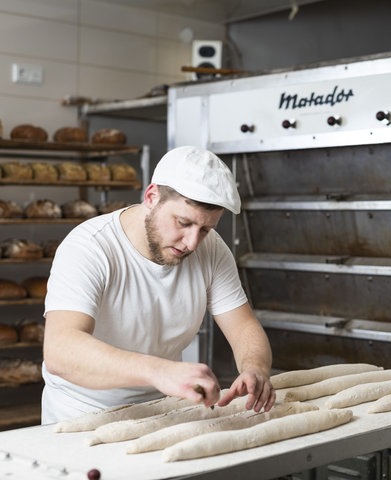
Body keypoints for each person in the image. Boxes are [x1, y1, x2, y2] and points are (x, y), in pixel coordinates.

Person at [41, 145, 276, 424]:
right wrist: (159, 371)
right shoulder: (90, 247)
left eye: (205, 229)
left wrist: (255, 368)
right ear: (151, 197)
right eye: (183, 222)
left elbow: (243, 326)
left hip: (164, 410)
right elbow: (61, 350)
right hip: (82, 415)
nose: (191, 242)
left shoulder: (210, 249)